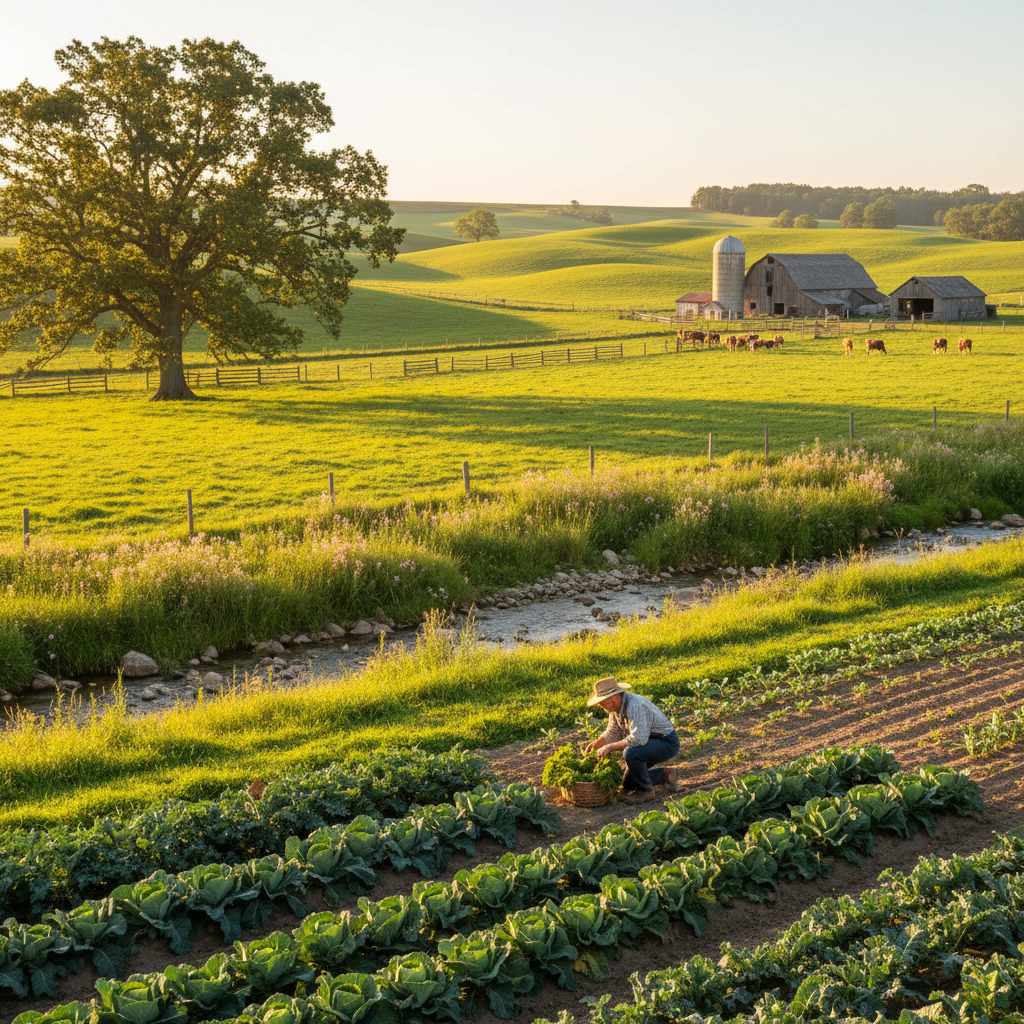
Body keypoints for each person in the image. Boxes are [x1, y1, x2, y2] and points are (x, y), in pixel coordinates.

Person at [584, 676, 679, 798]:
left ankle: (646, 792)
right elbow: (613, 731)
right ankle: (666, 775)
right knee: (628, 783)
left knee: (630, 753)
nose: (602, 706)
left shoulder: (635, 705)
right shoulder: (616, 709)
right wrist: (598, 743)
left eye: (602, 703)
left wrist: (610, 747)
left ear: (613, 698)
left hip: (666, 742)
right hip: (649, 743)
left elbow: (638, 738)